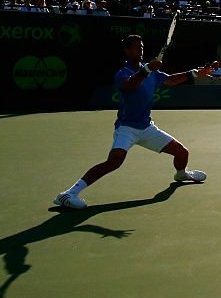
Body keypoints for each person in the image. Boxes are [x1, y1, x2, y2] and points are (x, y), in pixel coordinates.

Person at [53, 34, 207, 209]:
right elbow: (130, 85)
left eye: (141, 46)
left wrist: (192, 73)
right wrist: (147, 70)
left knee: (182, 153)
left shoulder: (151, 71)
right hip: (127, 128)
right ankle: (68, 194)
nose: (140, 49)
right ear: (126, 51)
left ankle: (181, 174)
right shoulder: (123, 73)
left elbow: (170, 80)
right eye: (135, 46)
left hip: (147, 127)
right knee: (114, 161)